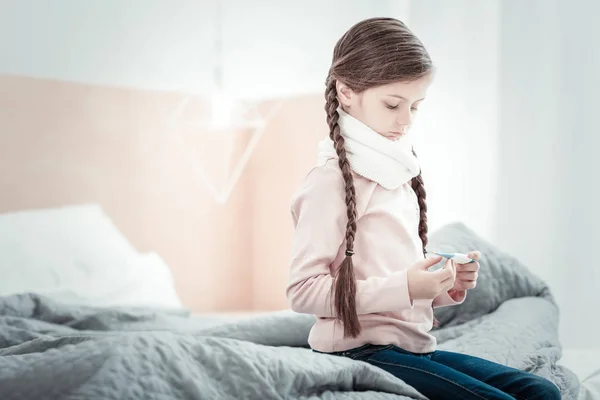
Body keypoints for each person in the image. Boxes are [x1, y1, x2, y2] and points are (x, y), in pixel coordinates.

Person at [286, 17, 561, 400]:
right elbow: (302, 291)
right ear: (346, 91)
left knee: (542, 391)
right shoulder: (329, 182)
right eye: (393, 104)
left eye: (415, 106)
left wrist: (443, 284)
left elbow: (390, 275)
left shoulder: (395, 169)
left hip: (412, 345)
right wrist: (407, 287)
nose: (405, 120)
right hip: (358, 350)